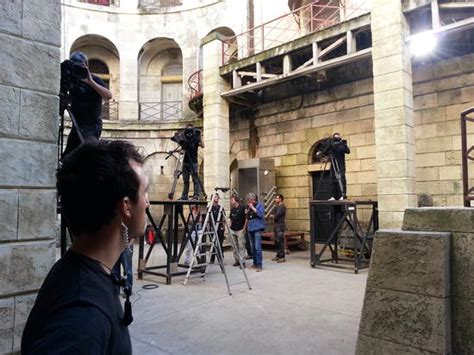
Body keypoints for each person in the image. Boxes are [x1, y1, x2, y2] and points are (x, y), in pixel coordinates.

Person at [22, 140, 149, 354]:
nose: (148, 202)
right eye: (145, 191)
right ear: (125, 206)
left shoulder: (80, 271)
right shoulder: (82, 314)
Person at [63, 51, 112, 158]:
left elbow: (108, 96)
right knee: (69, 157)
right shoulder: (73, 80)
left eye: (81, 66)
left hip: (92, 125)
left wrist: (91, 82)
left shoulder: (94, 79)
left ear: (86, 66)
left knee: (88, 155)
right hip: (77, 124)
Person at [179, 124, 205, 200]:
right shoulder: (185, 139)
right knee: (185, 181)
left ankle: (196, 195)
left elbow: (203, 146)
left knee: (195, 180)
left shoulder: (195, 139)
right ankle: (184, 196)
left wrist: (200, 136)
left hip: (193, 163)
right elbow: (182, 150)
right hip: (185, 162)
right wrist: (178, 151)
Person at [245, 193, 266, 272]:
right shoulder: (249, 206)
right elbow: (248, 217)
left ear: (253, 199)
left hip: (257, 228)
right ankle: (254, 263)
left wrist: (252, 208)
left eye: (249, 200)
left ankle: (259, 265)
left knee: (257, 247)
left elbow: (260, 214)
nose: (248, 202)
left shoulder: (260, 205)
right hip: (250, 228)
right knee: (252, 247)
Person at [229, 195, 247, 267]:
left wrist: (244, 228)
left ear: (235, 200)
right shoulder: (232, 209)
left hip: (240, 229)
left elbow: (246, 218)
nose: (230, 201)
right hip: (233, 229)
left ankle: (243, 261)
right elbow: (230, 218)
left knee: (241, 246)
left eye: (232, 200)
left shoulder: (243, 208)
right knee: (234, 246)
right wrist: (230, 227)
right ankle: (237, 260)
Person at [331, 132, 350, 200]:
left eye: (338, 137)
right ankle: (333, 196)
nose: (337, 138)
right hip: (333, 163)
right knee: (332, 179)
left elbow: (348, 151)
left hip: (341, 163)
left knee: (342, 177)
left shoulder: (342, 145)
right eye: (335, 137)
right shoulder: (332, 144)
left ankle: (343, 195)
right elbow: (330, 150)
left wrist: (345, 144)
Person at [271, 194, 287, 263]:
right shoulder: (277, 206)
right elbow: (272, 213)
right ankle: (278, 255)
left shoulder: (282, 207)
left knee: (280, 241)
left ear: (280, 199)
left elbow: (276, 216)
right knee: (276, 241)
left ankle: (282, 257)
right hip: (276, 225)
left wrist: (273, 215)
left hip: (280, 226)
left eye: (277, 198)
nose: (275, 199)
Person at [210, 194, 225, 264]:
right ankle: (212, 259)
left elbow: (223, 218)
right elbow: (207, 220)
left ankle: (221, 258)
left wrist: (223, 227)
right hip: (212, 228)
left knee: (220, 244)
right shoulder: (209, 208)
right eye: (215, 197)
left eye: (217, 197)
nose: (217, 198)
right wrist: (208, 228)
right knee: (213, 244)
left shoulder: (221, 208)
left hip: (219, 228)